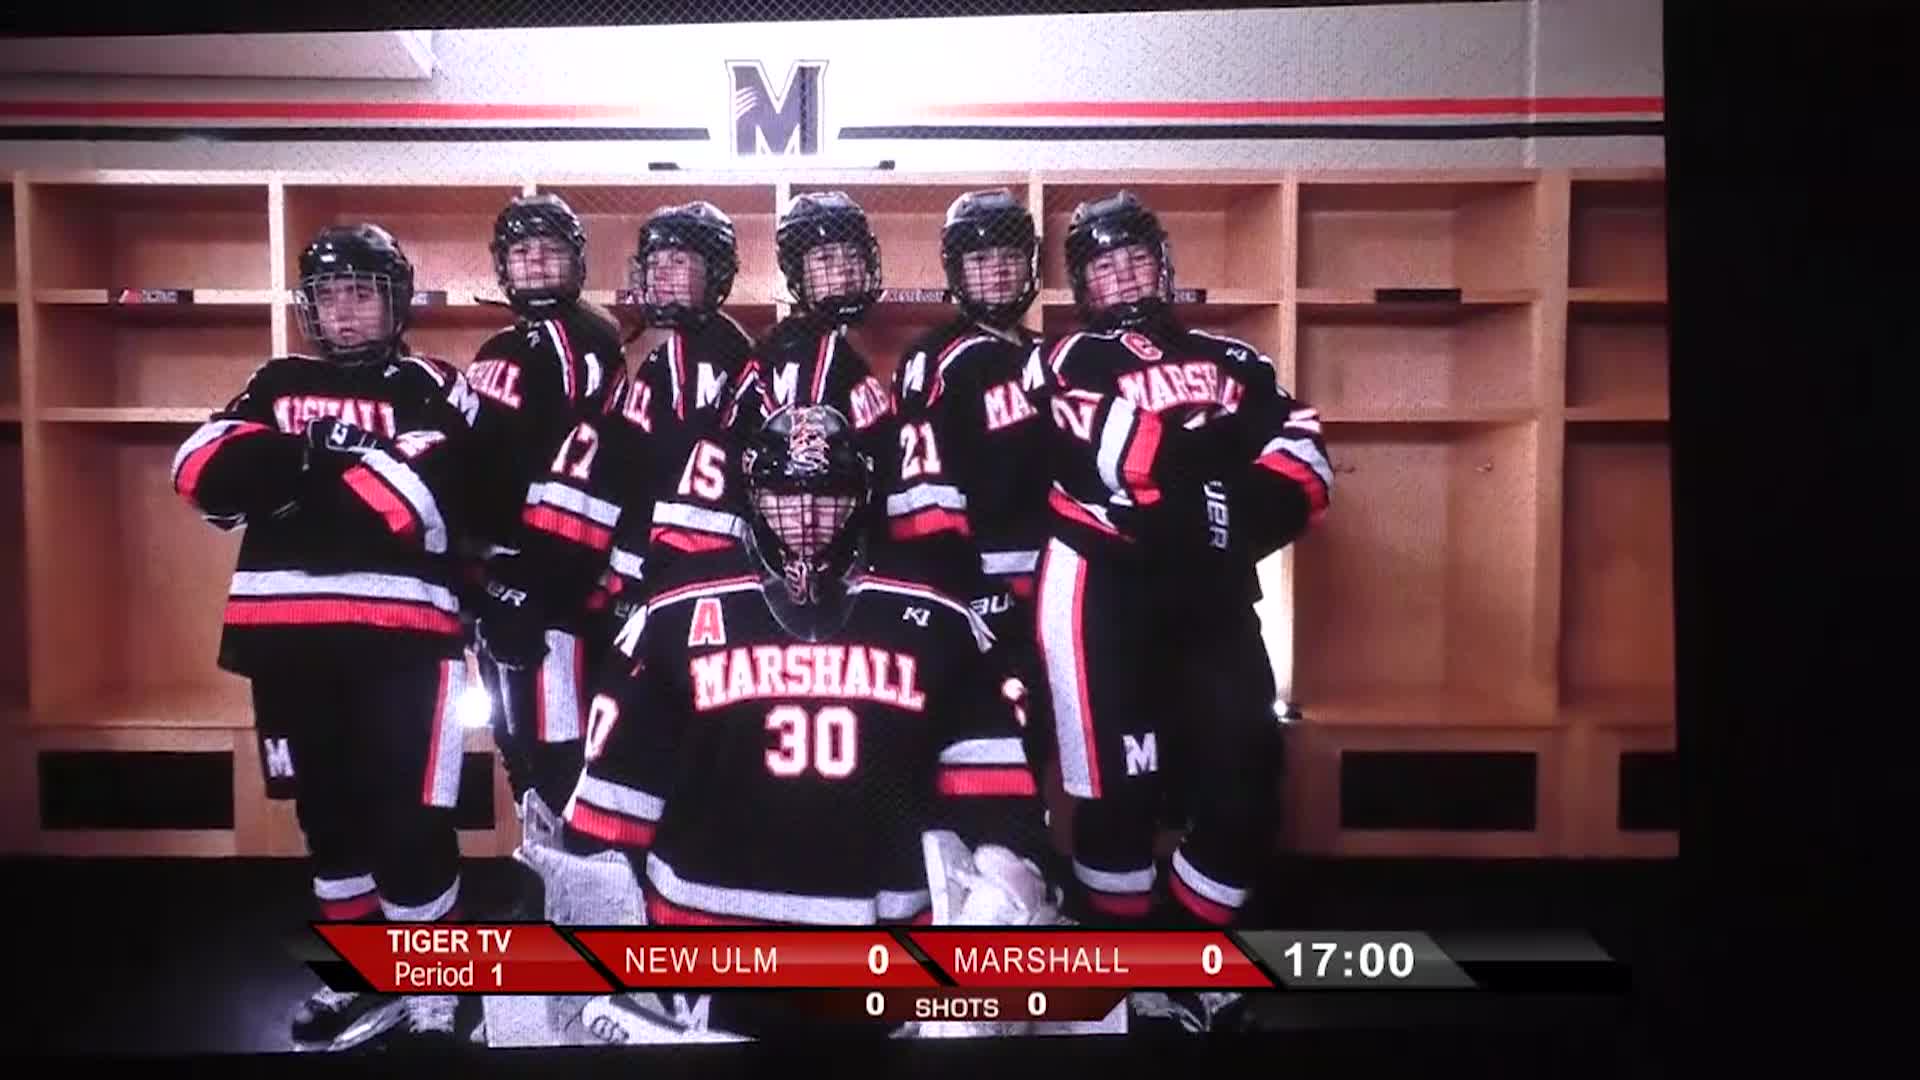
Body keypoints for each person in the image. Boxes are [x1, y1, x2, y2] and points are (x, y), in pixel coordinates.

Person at [557, 403, 1054, 1039]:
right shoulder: (676, 610)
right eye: (785, 497)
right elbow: (613, 807)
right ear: (751, 497)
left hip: (878, 968)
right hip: (708, 959)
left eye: (827, 497)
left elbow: (994, 794)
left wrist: (998, 893)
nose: (807, 519)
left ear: (862, 498)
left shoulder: (936, 613)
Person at [169, 223, 484, 1051]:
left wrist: (286, 476)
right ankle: (355, 975)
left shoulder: (433, 384)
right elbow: (199, 471)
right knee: (329, 818)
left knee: (412, 819)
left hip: (406, 640)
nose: (344, 311)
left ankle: (432, 982)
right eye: (330, 295)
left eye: (362, 293)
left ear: (396, 299)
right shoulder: (275, 379)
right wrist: (328, 459)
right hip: (286, 640)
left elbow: (414, 500)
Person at [1033, 191, 1334, 934]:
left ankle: (1190, 951)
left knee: (1247, 778)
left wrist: (1203, 501)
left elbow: (1306, 460)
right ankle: (1126, 965)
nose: (1124, 278)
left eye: (1136, 260)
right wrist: (1220, 468)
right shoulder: (1063, 358)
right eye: (1105, 268)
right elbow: (1100, 454)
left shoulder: (1235, 358)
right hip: (1105, 598)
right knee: (1119, 795)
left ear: (1164, 266)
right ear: (1082, 285)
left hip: (1215, 601)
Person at [511, 200, 755, 678]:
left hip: (680, 582)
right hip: (654, 579)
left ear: (716, 272)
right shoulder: (665, 357)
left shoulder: (718, 359)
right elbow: (627, 468)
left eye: (678, 261)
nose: (661, 274)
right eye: (655, 263)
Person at [883, 188, 1057, 803]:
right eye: (981, 260)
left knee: (1043, 736)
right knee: (984, 734)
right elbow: (921, 489)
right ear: (956, 271)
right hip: (982, 588)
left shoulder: (1050, 355)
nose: (999, 271)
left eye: (1009, 256)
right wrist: (961, 589)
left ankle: (1026, 852)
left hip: (1057, 587)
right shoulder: (935, 358)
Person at [464, 193, 625, 822]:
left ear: (576, 262)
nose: (534, 262)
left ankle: (574, 870)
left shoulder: (582, 341)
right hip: (498, 578)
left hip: (549, 586)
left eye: (549, 250)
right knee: (516, 743)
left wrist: (539, 586)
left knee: (560, 750)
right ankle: (541, 860)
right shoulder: (500, 346)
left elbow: (587, 471)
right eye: (521, 251)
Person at [639, 191, 897, 579]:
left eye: (852, 257)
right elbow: (802, 477)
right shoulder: (806, 351)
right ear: (797, 271)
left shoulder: (816, 347)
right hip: (775, 555)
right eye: (826, 259)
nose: (843, 271)